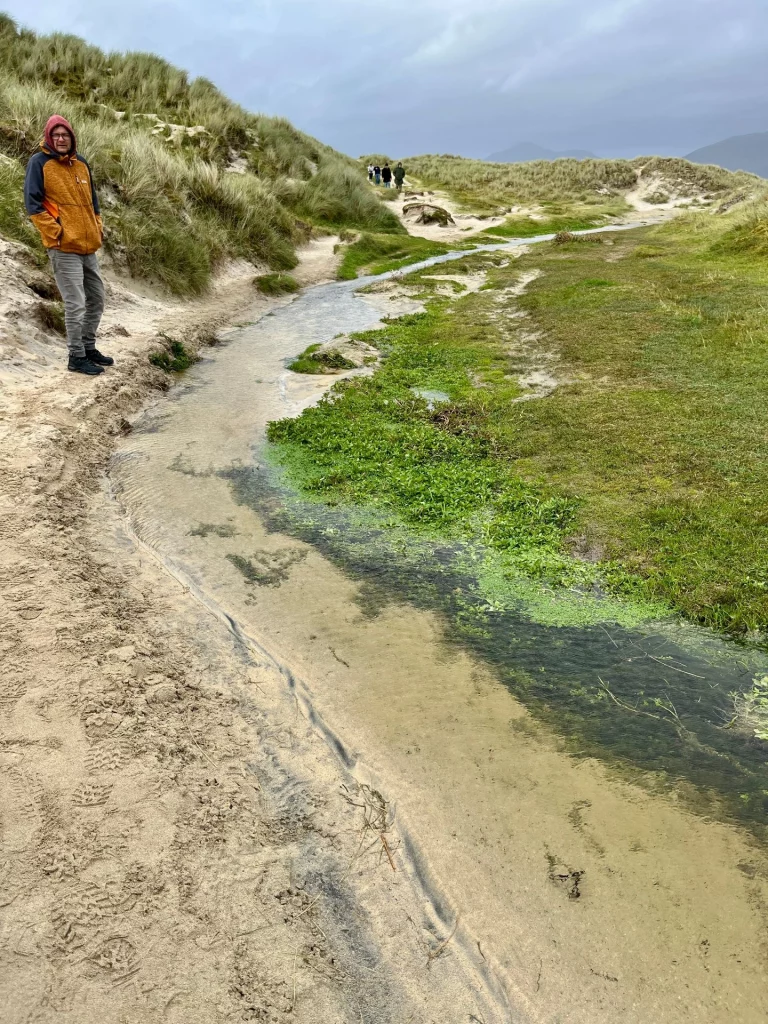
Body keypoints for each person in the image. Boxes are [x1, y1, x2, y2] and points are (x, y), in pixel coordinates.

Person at [24, 115, 113, 376]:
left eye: (66, 135)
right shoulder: (39, 162)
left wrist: (97, 226)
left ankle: (88, 347)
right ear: (49, 137)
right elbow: (33, 204)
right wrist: (57, 233)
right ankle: (76, 357)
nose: (61, 139)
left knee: (96, 299)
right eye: (56, 135)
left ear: (72, 137)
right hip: (63, 247)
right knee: (75, 303)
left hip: (88, 247)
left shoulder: (81, 163)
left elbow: (93, 202)